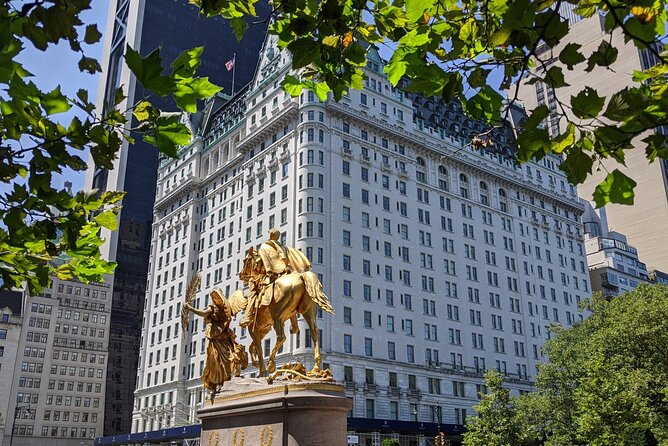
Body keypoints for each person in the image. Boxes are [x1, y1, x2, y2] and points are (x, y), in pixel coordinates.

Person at [239, 228, 310, 328]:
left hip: (273, 275)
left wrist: (268, 271)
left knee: (252, 295)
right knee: (290, 298)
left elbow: (266, 262)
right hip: (286, 272)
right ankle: (294, 324)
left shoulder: (264, 247)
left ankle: (247, 316)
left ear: (270, 236)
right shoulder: (283, 247)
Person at [183, 289, 248, 399]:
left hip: (224, 339)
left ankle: (230, 381)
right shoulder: (213, 308)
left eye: (218, 297)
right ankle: (219, 384)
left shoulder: (224, 308)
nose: (216, 299)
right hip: (216, 340)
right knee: (216, 363)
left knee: (231, 358)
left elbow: (205, 314)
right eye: (215, 297)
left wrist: (190, 308)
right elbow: (204, 314)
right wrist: (190, 308)